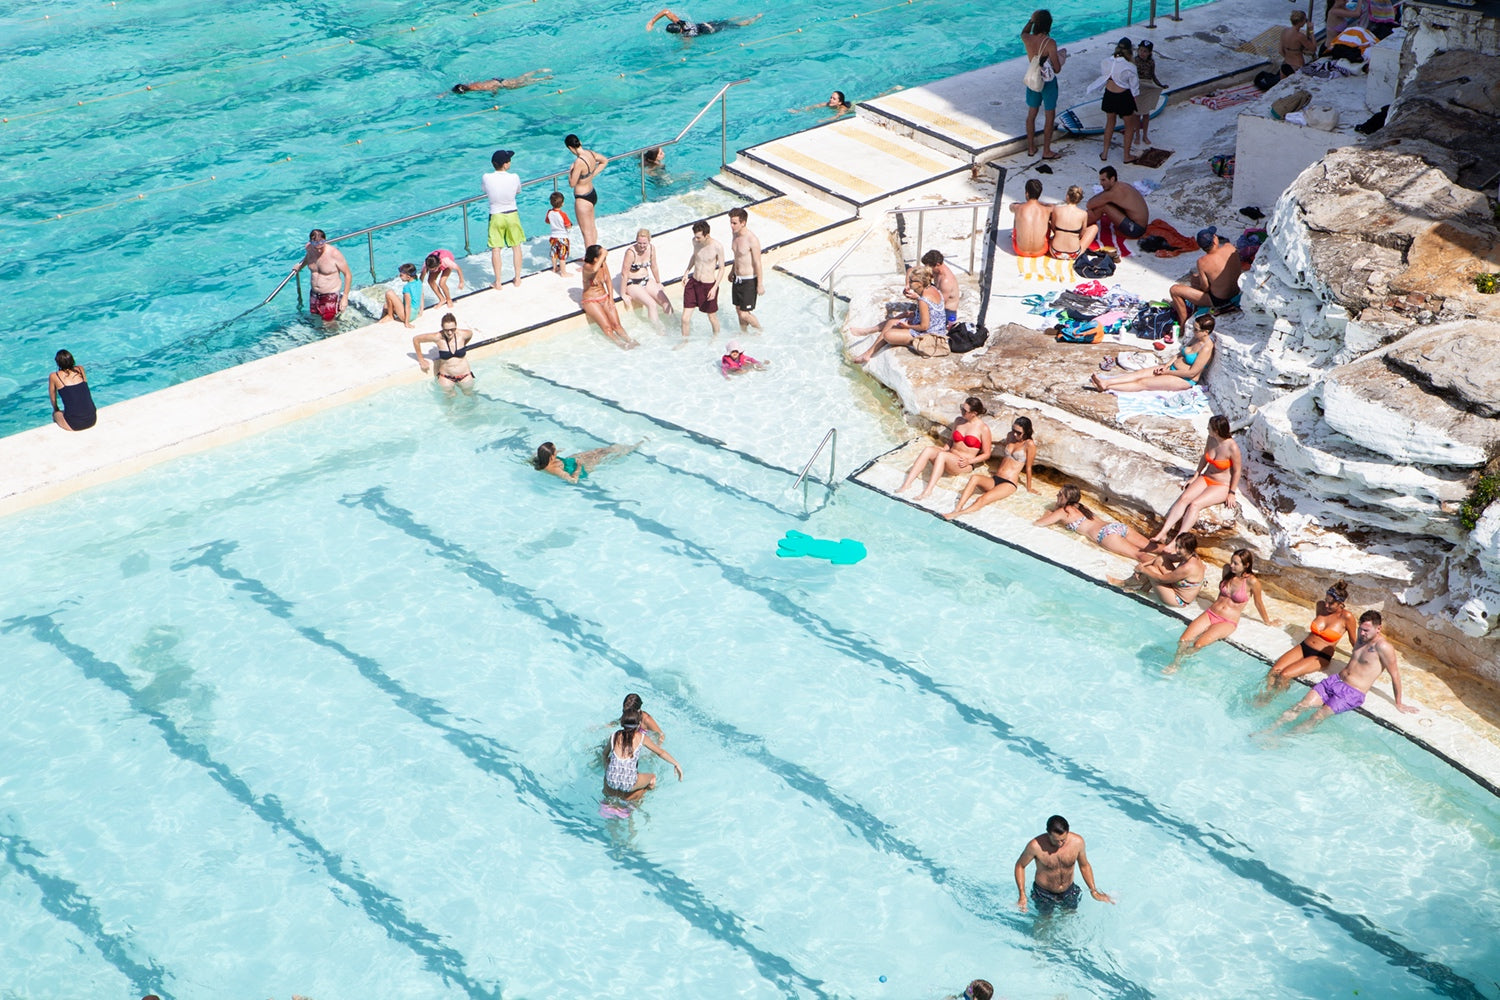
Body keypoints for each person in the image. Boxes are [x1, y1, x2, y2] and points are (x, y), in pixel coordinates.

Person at [1261, 611, 1417, 732]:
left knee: (1317, 716)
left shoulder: (1383, 647)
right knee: (1301, 705)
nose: (1362, 634)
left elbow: (1395, 674)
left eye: (1366, 630)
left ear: (1378, 629)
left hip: (1352, 692)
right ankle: (1269, 731)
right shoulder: (1361, 638)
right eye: (1360, 629)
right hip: (1334, 681)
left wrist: (1399, 702)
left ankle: (1284, 739)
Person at [1167, 548, 1273, 670]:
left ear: (1246, 565)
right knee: (1183, 640)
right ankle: (1174, 663)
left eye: (1236, 563)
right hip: (1211, 613)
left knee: (1198, 644)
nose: (1231, 565)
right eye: (1232, 561)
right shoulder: (1227, 570)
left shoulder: (1252, 582)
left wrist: (1268, 621)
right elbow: (1222, 593)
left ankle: (1179, 663)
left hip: (1227, 621)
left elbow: (1258, 603)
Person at [1150, 414, 1241, 544]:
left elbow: (1237, 471)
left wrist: (1232, 493)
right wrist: (1196, 475)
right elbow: (1205, 457)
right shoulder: (1211, 439)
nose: (1207, 429)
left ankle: (1177, 541)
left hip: (1222, 484)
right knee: (1183, 499)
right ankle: (1163, 532)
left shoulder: (1232, 447)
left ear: (1216, 431)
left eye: (1209, 428)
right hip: (1207, 477)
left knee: (1195, 505)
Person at [1260, 581, 1358, 695]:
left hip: (1320, 656)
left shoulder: (1347, 617)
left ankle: (1271, 699)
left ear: (1340, 603)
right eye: (1326, 600)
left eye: (1331, 603)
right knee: (1274, 670)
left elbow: (1353, 640)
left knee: (1285, 674)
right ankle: (1264, 695)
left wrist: (1358, 662)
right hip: (1304, 646)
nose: (1326, 605)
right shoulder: (1320, 606)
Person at [896, 397, 992, 500]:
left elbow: (987, 454)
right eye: (961, 407)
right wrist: (945, 448)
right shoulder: (958, 421)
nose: (961, 411)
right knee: (928, 450)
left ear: (974, 413)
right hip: (949, 457)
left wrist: (970, 461)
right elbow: (952, 440)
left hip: (963, 464)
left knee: (942, 455)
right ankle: (906, 484)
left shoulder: (983, 428)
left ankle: (928, 491)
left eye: (965, 410)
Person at [847, 265, 948, 364]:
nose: (909, 283)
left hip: (929, 333)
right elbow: (910, 269)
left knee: (888, 335)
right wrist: (914, 308)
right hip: (935, 326)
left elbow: (924, 326)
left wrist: (907, 326)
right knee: (892, 321)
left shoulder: (923, 300)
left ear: (920, 283)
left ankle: (868, 353)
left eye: (911, 281)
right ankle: (867, 343)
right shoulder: (933, 289)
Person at [1014, 814, 1114, 914]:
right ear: (1048, 833)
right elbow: (1020, 866)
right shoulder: (1035, 846)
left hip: (1069, 891)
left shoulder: (1077, 842)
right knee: (1044, 922)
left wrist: (1093, 890)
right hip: (1043, 893)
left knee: (1070, 916)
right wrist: (1022, 894)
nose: (1060, 844)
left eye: (1063, 840)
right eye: (1056, 841)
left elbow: (1084, 866)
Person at [944, 415, 1038, 520]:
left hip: (1009, 483)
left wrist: (1029, 488)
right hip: (996, 478)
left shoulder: (1029, 445)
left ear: (1027, 431)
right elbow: (1007, 458)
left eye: (1019, 432)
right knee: (974, 478)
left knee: (981, 499)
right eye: (1013, 430)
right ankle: (957, 508)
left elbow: (1029, 467)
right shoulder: (1010, 436)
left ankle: (957, 514)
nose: (1015, 434)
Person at [1091, 314, 1215, 392]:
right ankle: (1107, 382)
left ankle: (1107, 386)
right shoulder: (1197, 338)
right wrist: (1167, 365)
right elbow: (1179, 354)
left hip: (1184, 379)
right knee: (1139, 374)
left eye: (1196, 330)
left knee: (1143, 383)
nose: (1193, 331)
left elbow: (1192, 372)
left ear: (1206, 332)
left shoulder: (1206, 348)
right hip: (1170, 368)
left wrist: (1168, 372)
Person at [1034, 484, 1150, 559]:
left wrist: (1048, 512)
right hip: (1115, 526)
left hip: (1105, 535)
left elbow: (1038, 524)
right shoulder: (1082, 507)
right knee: (1153, 547)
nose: (1056, 495)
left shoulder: (1063, 511)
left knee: (1140, 555)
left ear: (1066, 499)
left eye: (1060, 494)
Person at [604, 710, 683, 803]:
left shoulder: (614, 735)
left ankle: (612, 800)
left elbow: (604, 754)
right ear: (639, 724)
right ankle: (638, 801)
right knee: (652, 778)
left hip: (610, 780)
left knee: (611, 761)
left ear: (622, 723)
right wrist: (676, 764)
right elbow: (660, 752)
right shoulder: (641, 737)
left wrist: (606, 769)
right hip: (629, 784)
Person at [1169, 227, 1244, 325]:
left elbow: (1205, 288)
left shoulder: (1202, 262)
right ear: (1214, 242)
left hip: (1219, 300)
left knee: (1174, 290)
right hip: (1236, 291)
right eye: (1215, 236)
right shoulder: (1230, 247)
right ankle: (1186, 319)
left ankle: (1182, 324)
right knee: (1196, 278)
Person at [1111, 532, 1205, 608]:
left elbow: (1161, 579)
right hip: (1176, 587)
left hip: (1178, 600)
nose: (1177, 550)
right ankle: (1141, 588)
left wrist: (1143, 570)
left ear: (1189, 548)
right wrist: (1142, 565)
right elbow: (1162, 557)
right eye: (1177, 546)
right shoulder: (1191, 555)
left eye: (1180, 547)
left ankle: (1126, 584)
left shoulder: (1188, 567)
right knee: (1161, 560)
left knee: (1150, 570)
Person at [1020, 10, 1068, 160]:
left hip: (1033, 80)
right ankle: (1047, 150)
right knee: (1049, 116)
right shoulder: (1050, 43)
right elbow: (1057, 69)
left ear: (1036, 23)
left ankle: (1031, 148)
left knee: (1031, 115)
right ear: (1049, 25)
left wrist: (1031, 20)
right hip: (1047, 82)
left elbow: (1023, 32)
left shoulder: (1027, 38)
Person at [1088, 38, 1140, 163]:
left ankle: (1105, 153)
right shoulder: (1130, 66)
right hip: (1123, 96)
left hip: (1109, 95)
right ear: (1130, 51)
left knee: (1110, 123)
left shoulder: (1105, 62)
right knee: (1129, 126)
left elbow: (1104, 77)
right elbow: (1135, 88)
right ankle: (1126, 156)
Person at [580, 245, 638, 350]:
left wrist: (611, 299)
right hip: (591, 301)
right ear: (595, 259)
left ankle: (630, 340)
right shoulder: (587, 267)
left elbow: (608, 281)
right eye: (601, 255)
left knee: (617, 325)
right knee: (607, 327)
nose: (605, 256)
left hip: (604, 297)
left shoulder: (603, 264)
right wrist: (604, 254)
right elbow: (594, 269)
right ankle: (620, 344)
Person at [482, 149, 524, 290]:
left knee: (496, 249)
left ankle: (498, 281)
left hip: (496, 215)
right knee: (516, 247)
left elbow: (484, 190)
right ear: (505, 164)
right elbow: (518, 191)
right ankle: (517, 278)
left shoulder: (486, 177)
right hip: (512, 213)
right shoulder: (514, 177)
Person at [293, 229, 352, 323]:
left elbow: (348, 274)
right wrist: (301, 266)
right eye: (316, 245)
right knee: (315, 318)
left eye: (322, 244)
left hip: (330, 294)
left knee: (329, 322)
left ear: (325, 240)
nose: (319, 249)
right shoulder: (309, 248)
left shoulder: (334, 254)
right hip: (314, 294)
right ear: (311, 242)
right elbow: (308, 258)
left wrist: (345, 297)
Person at [680, 220, 725, 341]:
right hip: (693, 282)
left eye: (699, 237)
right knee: (685, 318)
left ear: (707, 235)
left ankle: (716, 339)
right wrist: (686, 272)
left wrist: (715, 288)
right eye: (695, 237)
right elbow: (695, 256)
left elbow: (721, 268)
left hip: (708, 285)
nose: (696, 239)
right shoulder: (695, 242)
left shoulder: (717, 247)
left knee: (712, 317)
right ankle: (685, 342)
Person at [620, 228, 674, 326]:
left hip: (646, 280)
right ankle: (658, 330)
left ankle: (675, 325)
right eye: (639, 243)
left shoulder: (652, 248)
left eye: (644, 243)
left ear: (649, 241)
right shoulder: (630, 253)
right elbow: (624, 274)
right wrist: (623, 294)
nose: (642, 246)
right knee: (652, 304)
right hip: (632, 283)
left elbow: (654, 266)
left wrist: (658, 282)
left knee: (665, 302)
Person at [565, 133, 607, 252]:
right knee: (592, 228)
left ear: (570, 148)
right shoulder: (590, 153)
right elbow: (604, 161)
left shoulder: (578, 162)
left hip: (582, 198)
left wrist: (571, 170)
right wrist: (592, 174)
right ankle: (595, 253)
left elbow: (572, 183)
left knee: (586, 231)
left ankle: (590, 258)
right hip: (591, 192)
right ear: (580, 143)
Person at [412, 313, 475, 389]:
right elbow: (416, 339)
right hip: (446, 377)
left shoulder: (463, 334)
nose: (450, 333)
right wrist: (421, 359)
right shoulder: (437, 337)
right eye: (447, 330)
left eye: (452, 329)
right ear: (442, 327)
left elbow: (470, 334)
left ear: (456, 327)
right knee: (448, 399)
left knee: (470, 396)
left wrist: (463, 345)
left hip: (465, 375)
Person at [727, 206, 764, 333]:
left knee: (744, 314)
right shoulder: (735, 235)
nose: (732, 226)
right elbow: (737, 256)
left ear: (743, 223)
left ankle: (760, 331)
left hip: (749, 280)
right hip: (738, 278)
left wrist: (759, 284)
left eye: (734, 223)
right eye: (731, 223)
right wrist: (732, 271)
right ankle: (744, 333)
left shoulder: (752, 240)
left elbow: (757, 263)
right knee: (738, 310)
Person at [533, 440, 640, 483]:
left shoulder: (539, 459)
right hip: (581, 468)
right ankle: (631, 449)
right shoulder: (555, 470)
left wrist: (556, 452)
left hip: (570, 461)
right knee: (606, 457)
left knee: (599, 451)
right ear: (551, 457)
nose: (557, 451)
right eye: (555, 451)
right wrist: (579, 466)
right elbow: (573, 481)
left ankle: (621, 447)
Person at [1086, 166, 1149, 239]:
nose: (1101, 183)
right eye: (1100, 180)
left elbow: (1089, 204)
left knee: (1104, 206)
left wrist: (1091, 210)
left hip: (1136, 229)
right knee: (1102, 204)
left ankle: (1080, 224)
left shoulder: (1113, 193)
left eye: (1103, 180)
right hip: (1139, 224)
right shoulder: (1121, 185)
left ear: (1112, 179)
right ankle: (1082, 222)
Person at [48, 349, 97, 431]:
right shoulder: (80, 369)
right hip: (92, 418)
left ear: (58, 363)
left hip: (74, 424)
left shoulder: (54, 376)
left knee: (55, 414)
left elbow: (53, 398)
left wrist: (56, 409)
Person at [1047, 185, 1099, 260]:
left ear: (1067, 196)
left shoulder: (1057, 210)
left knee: (1048, 223)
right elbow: (1082, 233)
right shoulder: (1083, 214)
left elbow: (1053, 228)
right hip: (1074, 253)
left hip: (1055, 251)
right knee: (1094, 227)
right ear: (1079, 199)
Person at [916, 249, 961, 325]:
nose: (927, 269)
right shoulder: (936, 271)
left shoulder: (946, 281)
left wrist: (918, 298)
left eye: (929, 267)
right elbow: (913, 270)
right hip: (939, 304)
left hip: (947, 312)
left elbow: (939, 305)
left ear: (937, 264)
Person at [1133, 39, 1165, 144]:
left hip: (1148, 87)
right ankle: (1137, 135)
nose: (1142, 53)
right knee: (1137, 114)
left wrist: (1160, 85)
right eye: (1141, 50)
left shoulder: (1151, 62)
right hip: (1138, 87)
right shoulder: (1134, 61)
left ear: (1150, 53)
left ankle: (1145, 135)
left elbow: (1153, 75)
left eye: (1145, 51)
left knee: (1146, 113)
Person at [1010, 178, 1052, 257]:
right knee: (1047, 220)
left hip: (1019, 250)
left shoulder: (1018, 208)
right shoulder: (1047, 210)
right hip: (1041, 250)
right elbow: (1053, 206)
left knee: (1017, 216)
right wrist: (1042, 203)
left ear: (1027, 193)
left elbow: (1011, 206)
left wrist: (1022, 204)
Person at [646, 9, 763, 35]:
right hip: (706, 24)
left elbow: (687, 48)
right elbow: (666, 12)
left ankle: (755, 18)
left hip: (710, 30)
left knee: (736, 25)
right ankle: (746, 14)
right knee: (727, 21)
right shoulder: (680, 21)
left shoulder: (686, 35)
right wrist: (652, 22)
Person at [377, 263, 423, 328]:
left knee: (389, 293)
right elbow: (421, 295)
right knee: (385, 307)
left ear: (408, 277)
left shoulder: (407, 287)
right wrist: (421, 311)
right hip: (415, 313)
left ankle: (390, 316)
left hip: (408, 316)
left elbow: (408, 305)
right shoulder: (418, 282)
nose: (399, 276)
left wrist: (407, 323)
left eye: (401, 275)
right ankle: (381, 320)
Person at [1279, 10, 1318, 76]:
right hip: (1297, 65)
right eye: (1305, 20)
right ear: (1301, 22)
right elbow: (1313, 49)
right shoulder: (1300, 36)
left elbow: (1280, 51)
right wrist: (1311, 31)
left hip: (1285, 64)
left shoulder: (1284, 31)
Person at [451, 68, 552, 92]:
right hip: (498, 80)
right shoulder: (470, 84)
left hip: (503, 84)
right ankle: (537, 71)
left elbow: (492, 88)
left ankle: (543, 78)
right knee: (521, 78)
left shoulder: (476, 89)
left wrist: (494, 94)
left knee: (524, 83)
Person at [545, 192, 572, 277]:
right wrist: (570, 225)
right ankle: (563, 273)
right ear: (562, 203)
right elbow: (568, 226)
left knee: (554, 254)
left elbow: (547, 221)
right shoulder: (563, 214)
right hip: (562, 237)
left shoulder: (549, 212)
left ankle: (555, 268)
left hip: (553, 237)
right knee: (562, 256)